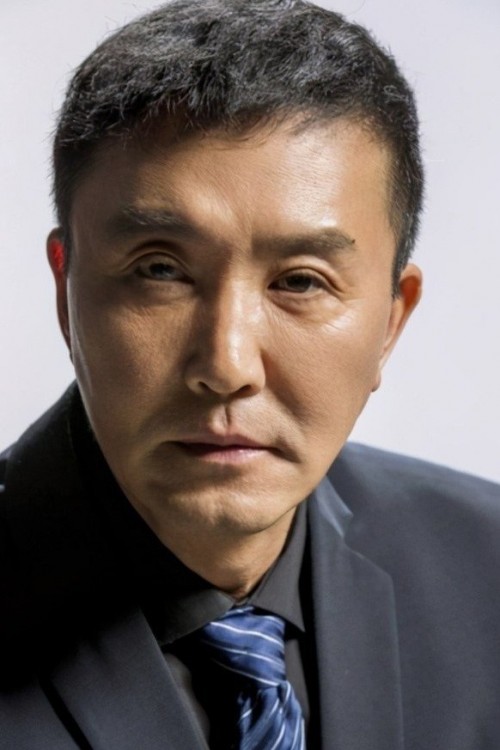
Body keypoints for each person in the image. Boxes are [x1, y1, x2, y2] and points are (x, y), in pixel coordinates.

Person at [1, 0, 500, 747]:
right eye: (161, 271)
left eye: (300, 282)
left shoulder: (487, 569)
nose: (227, 366)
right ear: (65, 292)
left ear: (392, 321)